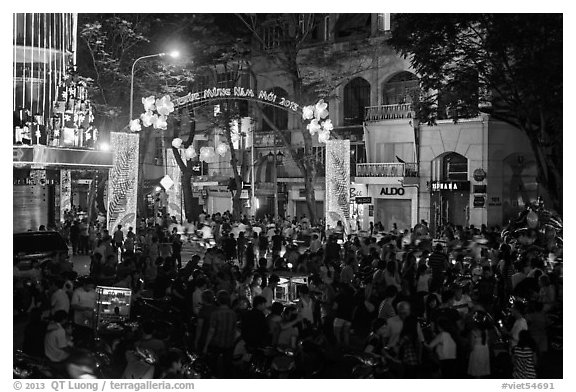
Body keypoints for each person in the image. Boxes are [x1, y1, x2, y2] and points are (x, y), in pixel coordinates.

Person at [203, 290, 237, 378]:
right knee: (227, 368)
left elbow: (211, 331)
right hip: (229, 344)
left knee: (213, 367)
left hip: (217, 343)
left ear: (218, 300)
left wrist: (206, 346)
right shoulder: (233, 314)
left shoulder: (215, 313)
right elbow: (234, 330)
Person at [71, 278, 97, 347]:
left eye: (91, 287)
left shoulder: (94, 292)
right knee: (79, 337)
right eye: (89, 286)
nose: (90, 288)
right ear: (84, 285)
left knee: (88, 337)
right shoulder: (77, 291)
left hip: (90, 319)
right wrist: (85, 308)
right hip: (79, 320)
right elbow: (74, 305)